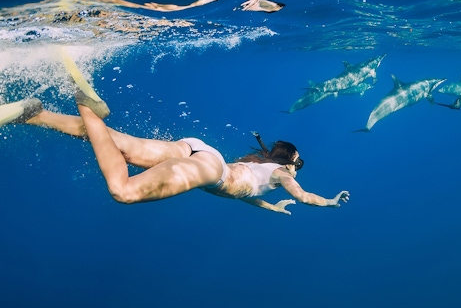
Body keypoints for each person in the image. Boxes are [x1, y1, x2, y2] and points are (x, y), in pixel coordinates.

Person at [0, 48, 349, 215]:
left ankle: (35, 114)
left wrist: (268, 208)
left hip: (197, 151)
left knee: (117, 145)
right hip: (209, 170)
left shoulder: (262, 170)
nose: (295, 169)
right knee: (123, 191)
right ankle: (85, 102)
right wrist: (328, 200)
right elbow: (303, 196)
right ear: (288, 163)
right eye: (297, 164)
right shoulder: (281, 175)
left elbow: (244, 191)